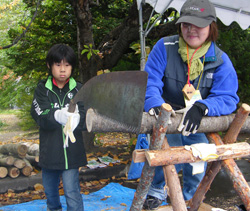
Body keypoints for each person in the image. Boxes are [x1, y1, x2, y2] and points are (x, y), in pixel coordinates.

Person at [142, 0, 239, 209]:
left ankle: (189, 198)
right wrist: (156, 105)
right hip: (165, 114)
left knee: (197, 160)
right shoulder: (164, 47)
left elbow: (228, 97)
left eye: (198, 25)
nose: (191, 30)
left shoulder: (221, 60)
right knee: (159, 157)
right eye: (186, 24)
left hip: (197, 119)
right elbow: (150, 82)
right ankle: (155, 192)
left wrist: (204, 107)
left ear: (211, 26)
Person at [31, 44, 87, 211]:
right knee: (50, 192)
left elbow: (86, 113)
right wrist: (57, 115)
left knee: (72, 191)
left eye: (67, 65)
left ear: (72, 67)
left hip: (72, 153)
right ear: (49, 65)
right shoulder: (43, 89)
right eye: (58, 64)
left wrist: (78, 118)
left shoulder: (78, 88)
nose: (63, 69)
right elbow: (39, 113)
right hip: (50, 152)